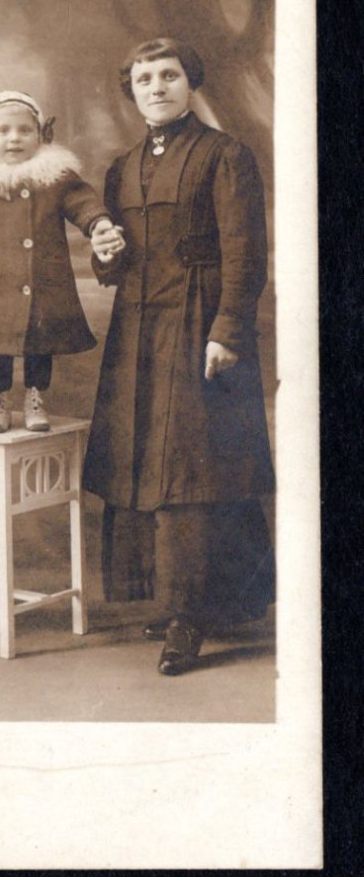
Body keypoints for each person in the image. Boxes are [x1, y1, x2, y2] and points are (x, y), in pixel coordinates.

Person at [85, 37, 275, 676]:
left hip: (200, 328)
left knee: (194, 471)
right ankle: (170, 602)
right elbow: (111, 266)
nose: (157, 87)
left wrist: (227, 331)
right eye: (143, 79)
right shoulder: (122, 165)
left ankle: (193, 616)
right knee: (144, 463)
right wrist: (104, 254)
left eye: (169, 75)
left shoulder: (225, 156)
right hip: (138, 327)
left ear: (190, 83)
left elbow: (246, 255)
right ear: (132, 91)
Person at [0, 91, 122, 432]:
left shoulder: (55, 177)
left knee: (41, 343)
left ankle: (36, 397)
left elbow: (82, 202)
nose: (14, 138)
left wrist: (99, 223)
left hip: (43, 278)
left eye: (25, 130)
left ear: (41, 135)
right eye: (3, 131)